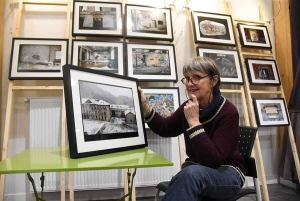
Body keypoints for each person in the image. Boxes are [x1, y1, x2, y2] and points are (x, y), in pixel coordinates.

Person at [138, 56, 245, 201]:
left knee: (189, 174)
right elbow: (165, 128)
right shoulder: (188, 107)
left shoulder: (228, 112)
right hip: (197, 170)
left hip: (228, 173)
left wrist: (194, 122)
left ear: (214, 80)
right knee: (188, 175)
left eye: (196, 78)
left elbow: (214, 160)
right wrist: (145, 108)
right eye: (187, 79)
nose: (190, 84)